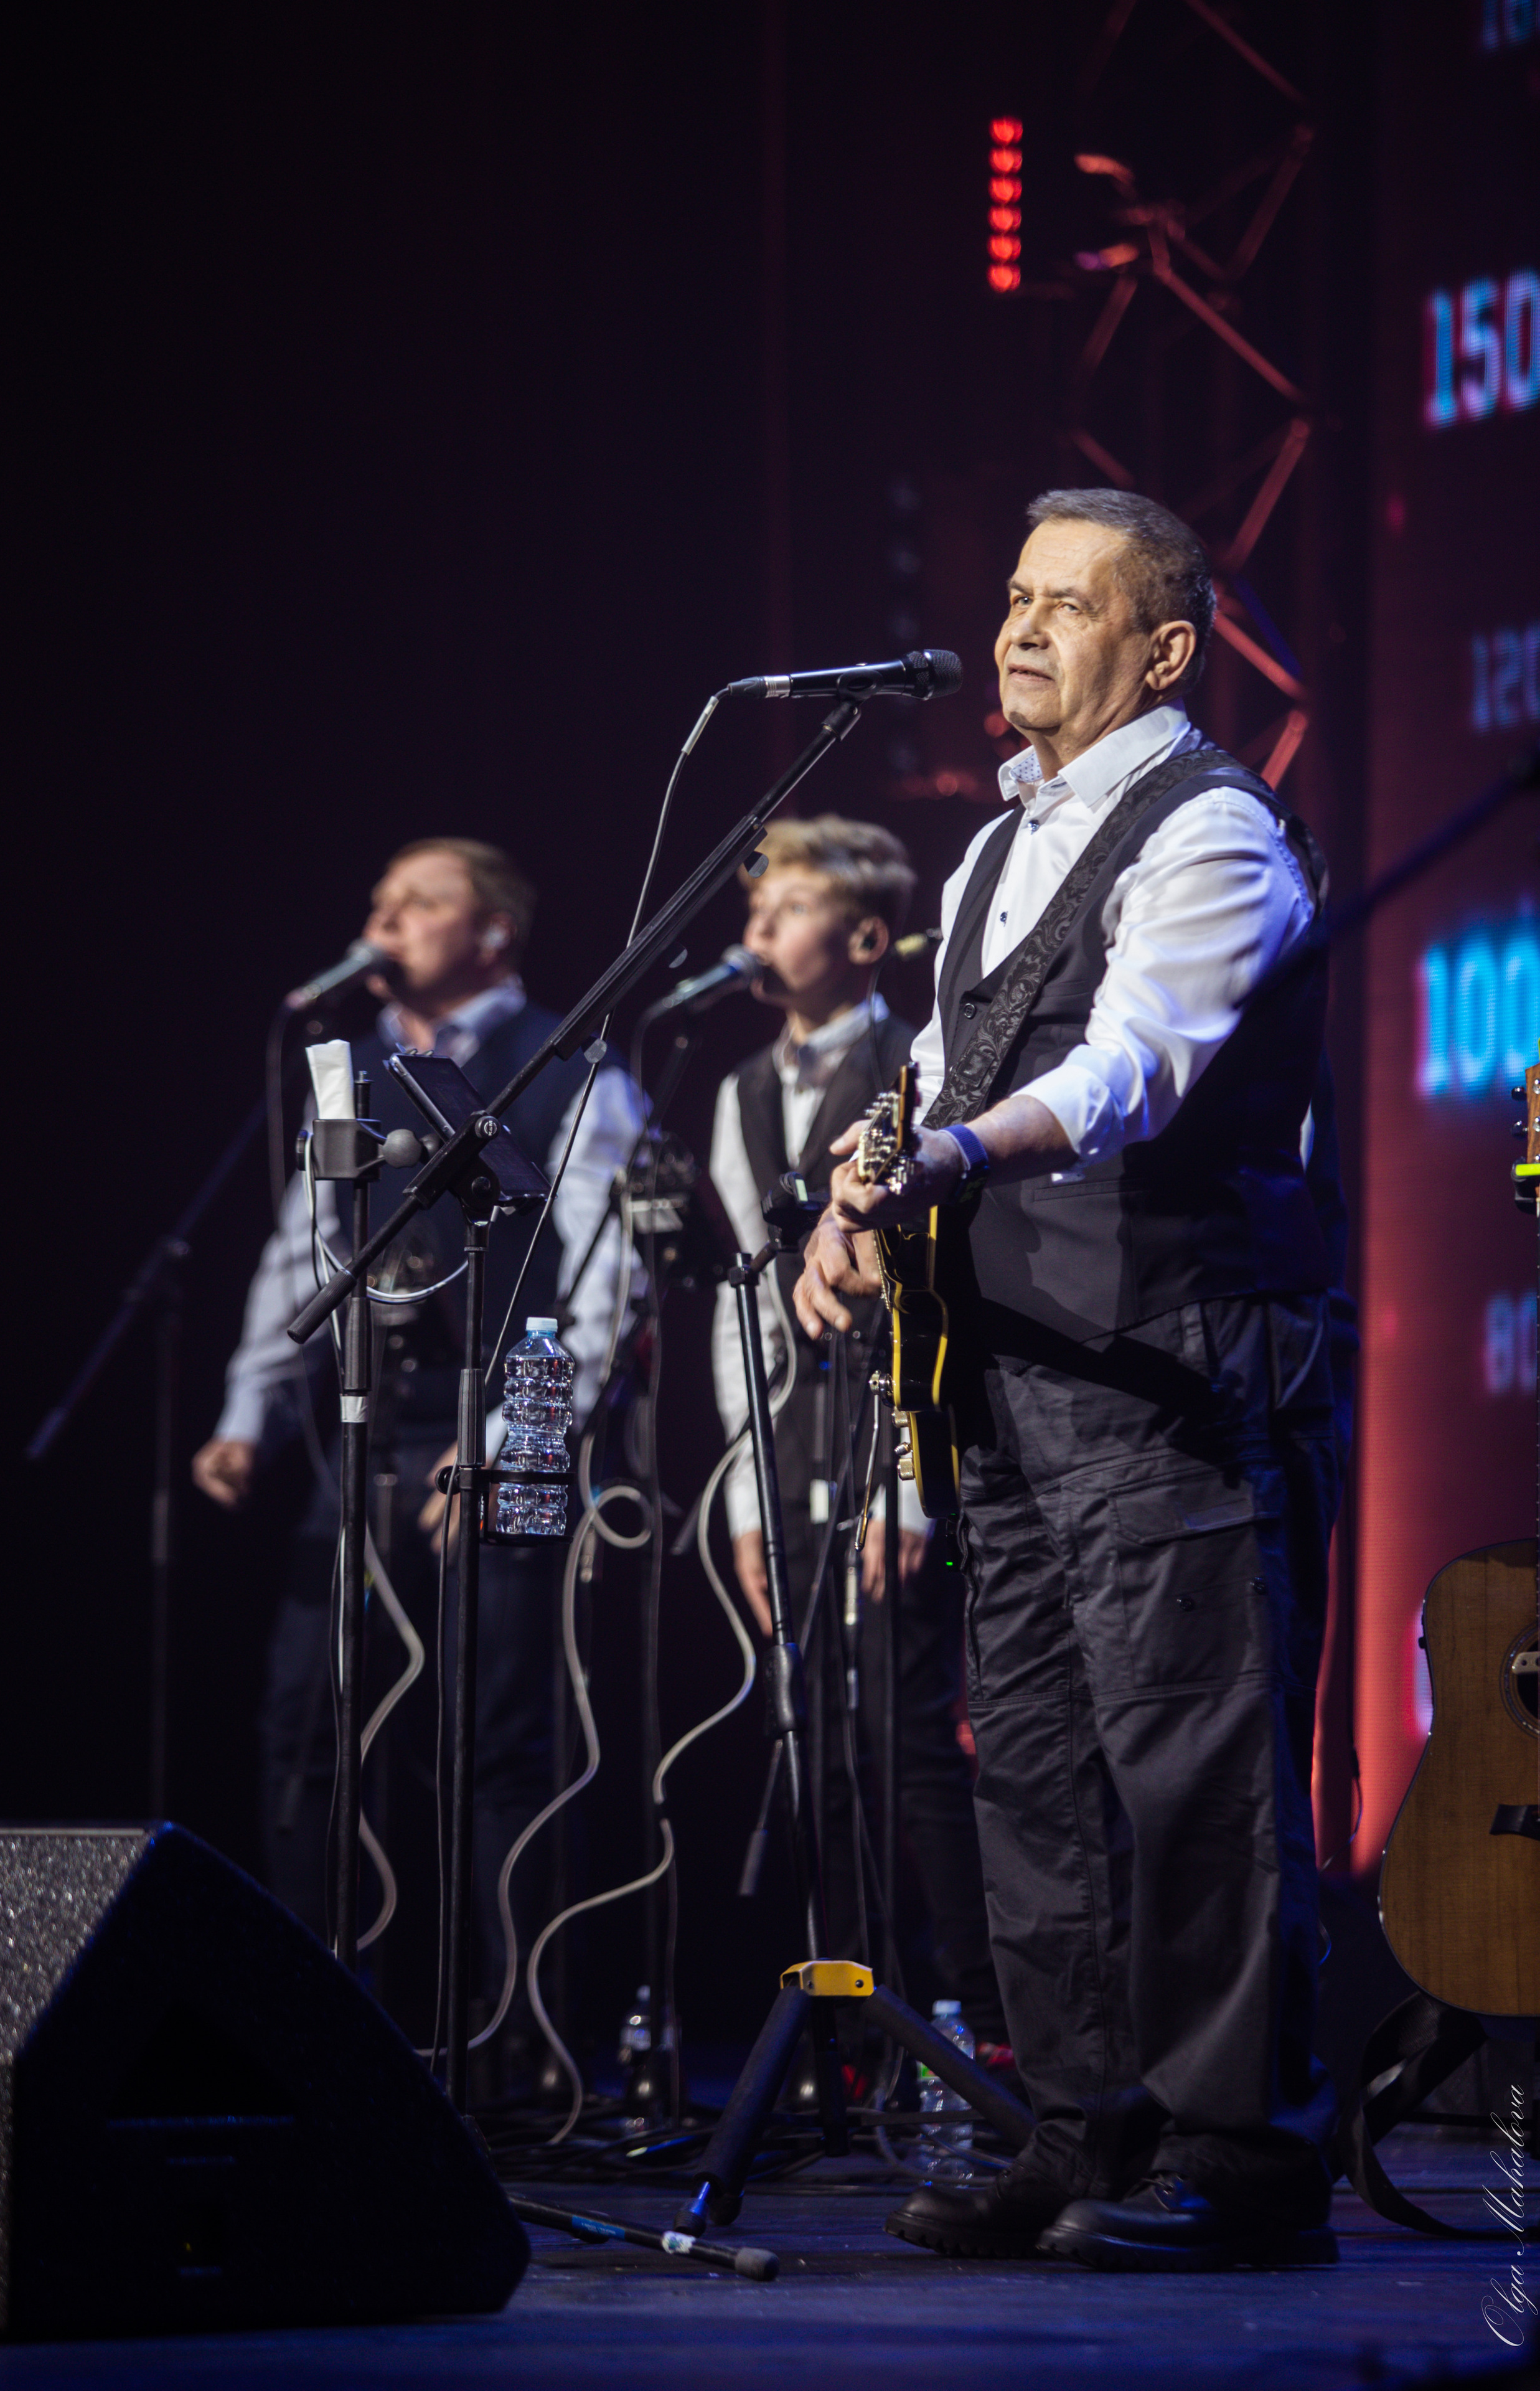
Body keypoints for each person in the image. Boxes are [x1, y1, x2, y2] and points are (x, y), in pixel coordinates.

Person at [795, 490, 1343, 2271]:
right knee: (1030, 1763)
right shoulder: (992, 847)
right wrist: (855, 1192)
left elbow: (1133, 1072)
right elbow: (940, 1069)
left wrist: (951, 1159)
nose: (1023, 629)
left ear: (1164, 650)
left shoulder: (1216, 834)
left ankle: (1237, 2158)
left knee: (1193, 1762)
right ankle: (1083, 2127)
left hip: (1172, 1360)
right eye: (1015, 596)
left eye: (1069, 606)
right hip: (1007, 1376)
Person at [192, 837, 642, 2060]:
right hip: (367, 1430)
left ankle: (522, 2048)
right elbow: (303, 1253)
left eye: (420, 901)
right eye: (379, 901)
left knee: (507, 1737)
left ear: (492, 929)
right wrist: (248, 1415)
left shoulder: (574, 1064)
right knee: (308, 1731)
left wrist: (513, 1444)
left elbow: (603, 1280)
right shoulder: (358, 1073)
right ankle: (321, 2039)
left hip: (519, 1435)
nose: (385, 920)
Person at [708, 815, 1005, 2051]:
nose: (756, 933)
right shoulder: (733, 1090)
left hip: (895, 1438)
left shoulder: (907, 1069)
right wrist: (743, 1495)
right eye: (755, 912)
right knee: (813, 1739)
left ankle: (984, 2024)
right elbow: (742, 1304)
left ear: (866, 938)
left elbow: (932, 1296)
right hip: (794, 1440)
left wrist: (908, 1484)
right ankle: (846, 2035)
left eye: (784, 913)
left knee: (907, 1731)